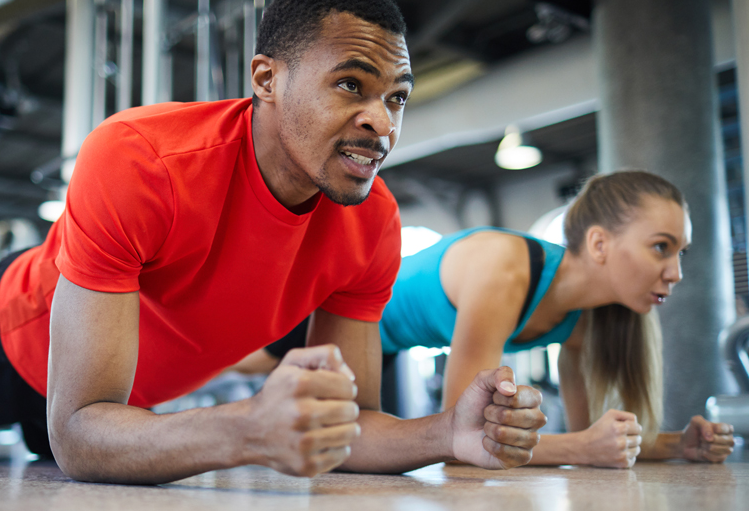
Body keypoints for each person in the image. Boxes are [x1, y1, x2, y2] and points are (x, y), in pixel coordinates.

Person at [0, 0, 547, 484]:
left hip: (121, 404)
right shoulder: (139, 158)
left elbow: (351, 425)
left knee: (53, 454)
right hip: (18, 338)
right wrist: (249, 428)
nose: (383, 120)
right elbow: (80, 435)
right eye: (351, 85)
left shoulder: (372, 224)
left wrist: (445, 432)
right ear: (266, 79)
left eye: (395, 97)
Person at [247, 171, 736, 467]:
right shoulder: (504, 270)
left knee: (358, 448)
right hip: (339, 312)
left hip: (391, 347)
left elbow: (593, 437)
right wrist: (581, 448)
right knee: (231, 365)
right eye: (661, 248)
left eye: (681, 253)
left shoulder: (589, 321)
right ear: (600, 245)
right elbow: (470, 432)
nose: (676, 273)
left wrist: (674, 445)